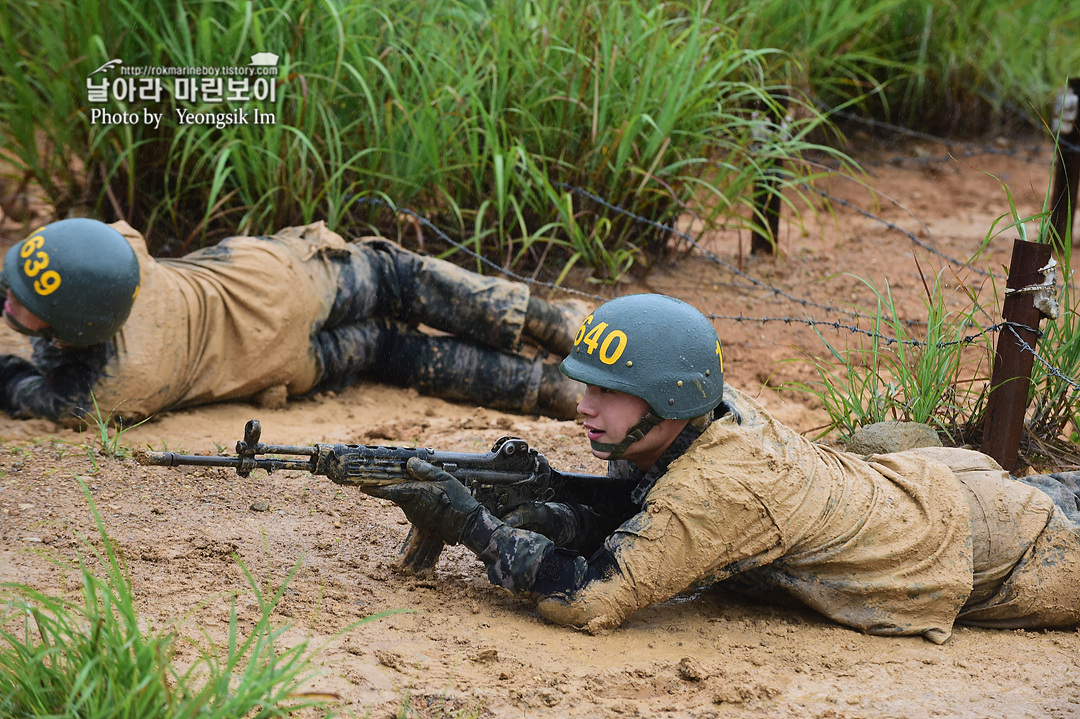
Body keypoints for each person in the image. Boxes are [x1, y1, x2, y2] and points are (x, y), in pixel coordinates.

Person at [366, 293, 1080, 644]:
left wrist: (473, 527)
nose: (584, 406)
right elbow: (632, 514)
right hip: (931, 485)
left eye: (608, 390)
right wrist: (551, 509)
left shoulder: (716, 489)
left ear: (668, 398)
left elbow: (587, 598)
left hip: (997, 549)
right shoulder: (701, 415)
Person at [0, 218, 587, 425]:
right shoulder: (124, 260)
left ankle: (552, 391)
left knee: (388, 349)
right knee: (397, 277)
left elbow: (21, 384)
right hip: (282, 285)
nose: (9, 301)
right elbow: (99, 243)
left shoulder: (106, 391)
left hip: (284, 364)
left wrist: (31, 349)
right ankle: (566, 332)